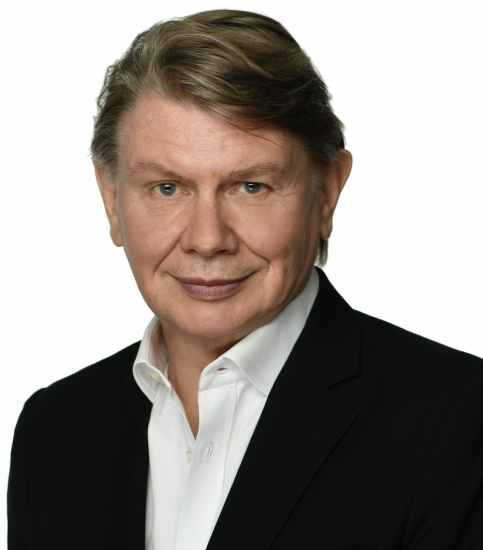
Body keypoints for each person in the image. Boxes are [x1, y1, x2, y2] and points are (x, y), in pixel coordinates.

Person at [7, 8, 483, 550]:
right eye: (167, 188)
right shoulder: (56, 432)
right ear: (111, 200)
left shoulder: (461, 423)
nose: (207, 239)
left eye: (250, 186)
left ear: (327, 191)